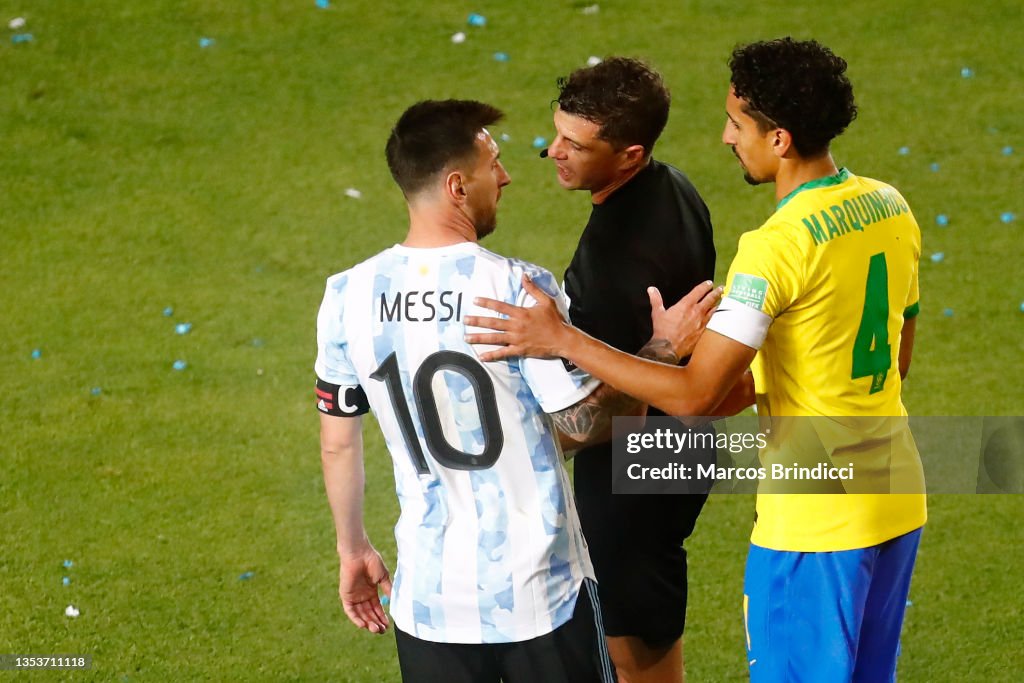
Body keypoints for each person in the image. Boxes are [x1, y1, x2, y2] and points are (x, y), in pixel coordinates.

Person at [467, 38, 927, 682]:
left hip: (818, 521)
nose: (724, 137)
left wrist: (564, 340)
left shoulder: (776, 248)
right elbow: (895, 356)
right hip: (896, 495)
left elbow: (692, 397)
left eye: (738, 124)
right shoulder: (889, 204)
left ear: (781, 140)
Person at [315, 99, 696, 683]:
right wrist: (661, 351)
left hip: (429, 598)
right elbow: (580, 424)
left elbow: (338, 444)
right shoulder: (515, 289)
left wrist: (353, 549)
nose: (507, 175)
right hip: (540, 593)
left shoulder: (346, 296)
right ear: (457, 185)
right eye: (494, 162)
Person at [541, 56, 718, 683]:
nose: (552, 151)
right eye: (557, 132)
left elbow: (604, 419)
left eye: (575, 144)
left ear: (629, 154)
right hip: (683, 448)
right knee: (649, 621)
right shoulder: (676, 186)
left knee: (633, 647)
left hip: (634, 468)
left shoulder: (615, 258)